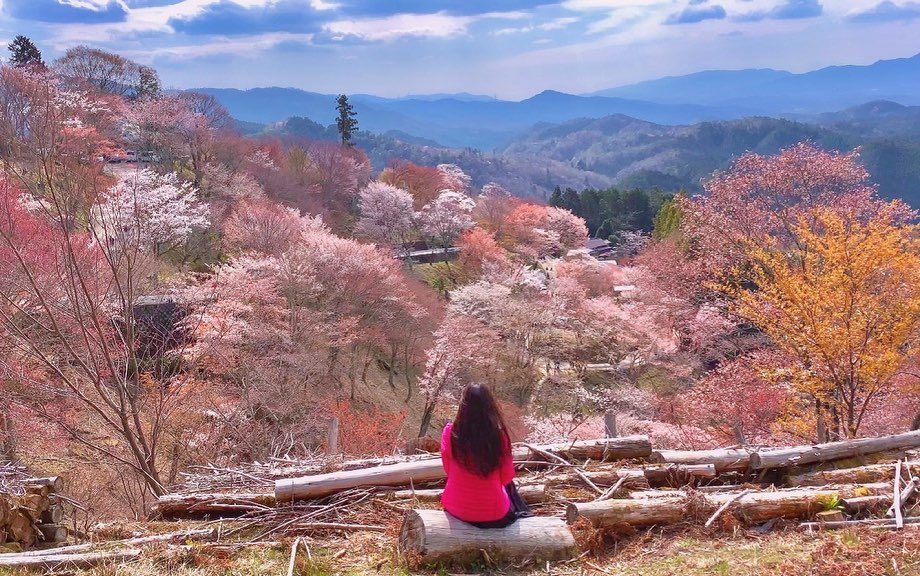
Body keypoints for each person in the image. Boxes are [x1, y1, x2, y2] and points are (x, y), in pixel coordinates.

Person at [440, 384, 531, 528]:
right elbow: (506, 477)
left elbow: (448, 469)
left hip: (454, 507)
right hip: (492, 514)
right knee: (510, 490)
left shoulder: (450, 432)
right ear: (490, 406)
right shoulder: (499, 437)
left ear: (463, 405)